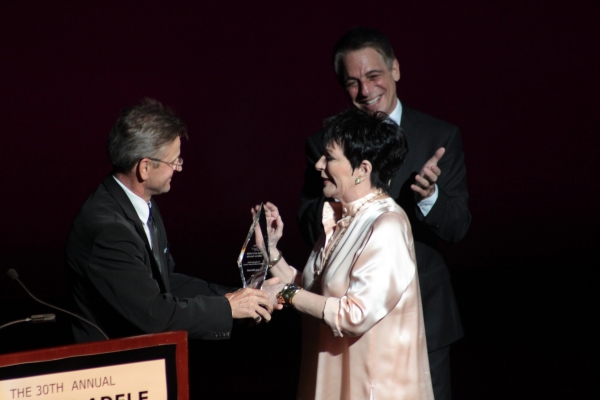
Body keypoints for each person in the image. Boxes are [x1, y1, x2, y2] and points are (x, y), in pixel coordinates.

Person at [298, 27, 470, 400]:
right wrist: (343, 203)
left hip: (421, 317)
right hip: (349, 321)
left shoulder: (440, 136)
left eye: (374, 76)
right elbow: (307, 216)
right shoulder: (324, 144)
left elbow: (457, 227)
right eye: (352, 82)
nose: (365, 90)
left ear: (395, 70)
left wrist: (430, 197)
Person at [66, 98, 279, 343]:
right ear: (145, 168)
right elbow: (154, 315)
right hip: (112, 371)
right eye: (173, 161)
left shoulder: (140, 203)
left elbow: (166, 283)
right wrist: (227, 307)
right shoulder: (108, 230)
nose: (178, 168)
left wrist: (242, 296)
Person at [260, 108, 433, 399]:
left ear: (363, 170)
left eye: (329, 157)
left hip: (372, 388)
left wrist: (285, 294)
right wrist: (271, 253)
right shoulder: (340, 218)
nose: (318, 165)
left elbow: (354, 315)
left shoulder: (386, 223)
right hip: (331, 381)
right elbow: (314, 291)